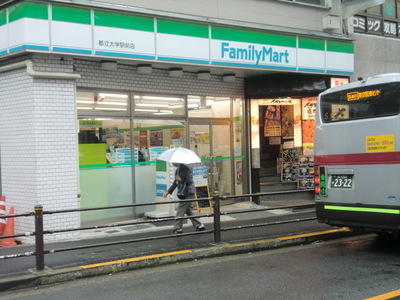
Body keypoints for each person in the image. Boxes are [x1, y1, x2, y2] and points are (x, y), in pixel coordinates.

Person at [163, 163, 205, 234]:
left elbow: (188, 181)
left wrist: (180, 179)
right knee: (187, 211)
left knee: (180, 210)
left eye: (173, 162)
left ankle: (178, 228)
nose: (173, 163)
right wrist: (168, 191)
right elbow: (175, 182)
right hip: (182, 193)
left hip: (188, 192)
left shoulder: (186, 168)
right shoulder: (178, 170)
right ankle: (199, 225)